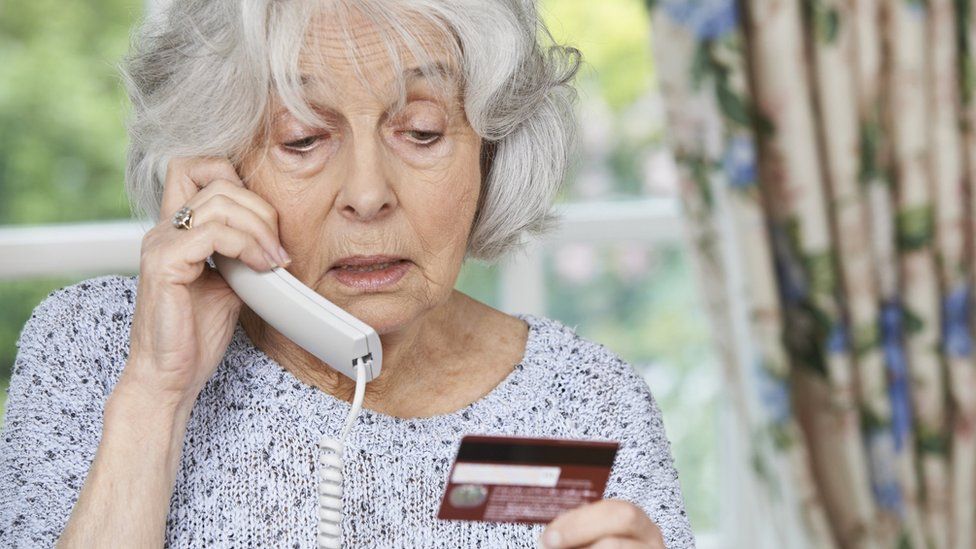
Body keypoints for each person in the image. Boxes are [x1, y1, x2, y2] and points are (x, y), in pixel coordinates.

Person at [0, 0, 694, 547]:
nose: (367, 192)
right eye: (302, 137)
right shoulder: (90, 348)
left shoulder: (587, 400)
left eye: (421, 132)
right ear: (219, 164)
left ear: (489, 152)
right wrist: (156, 392)